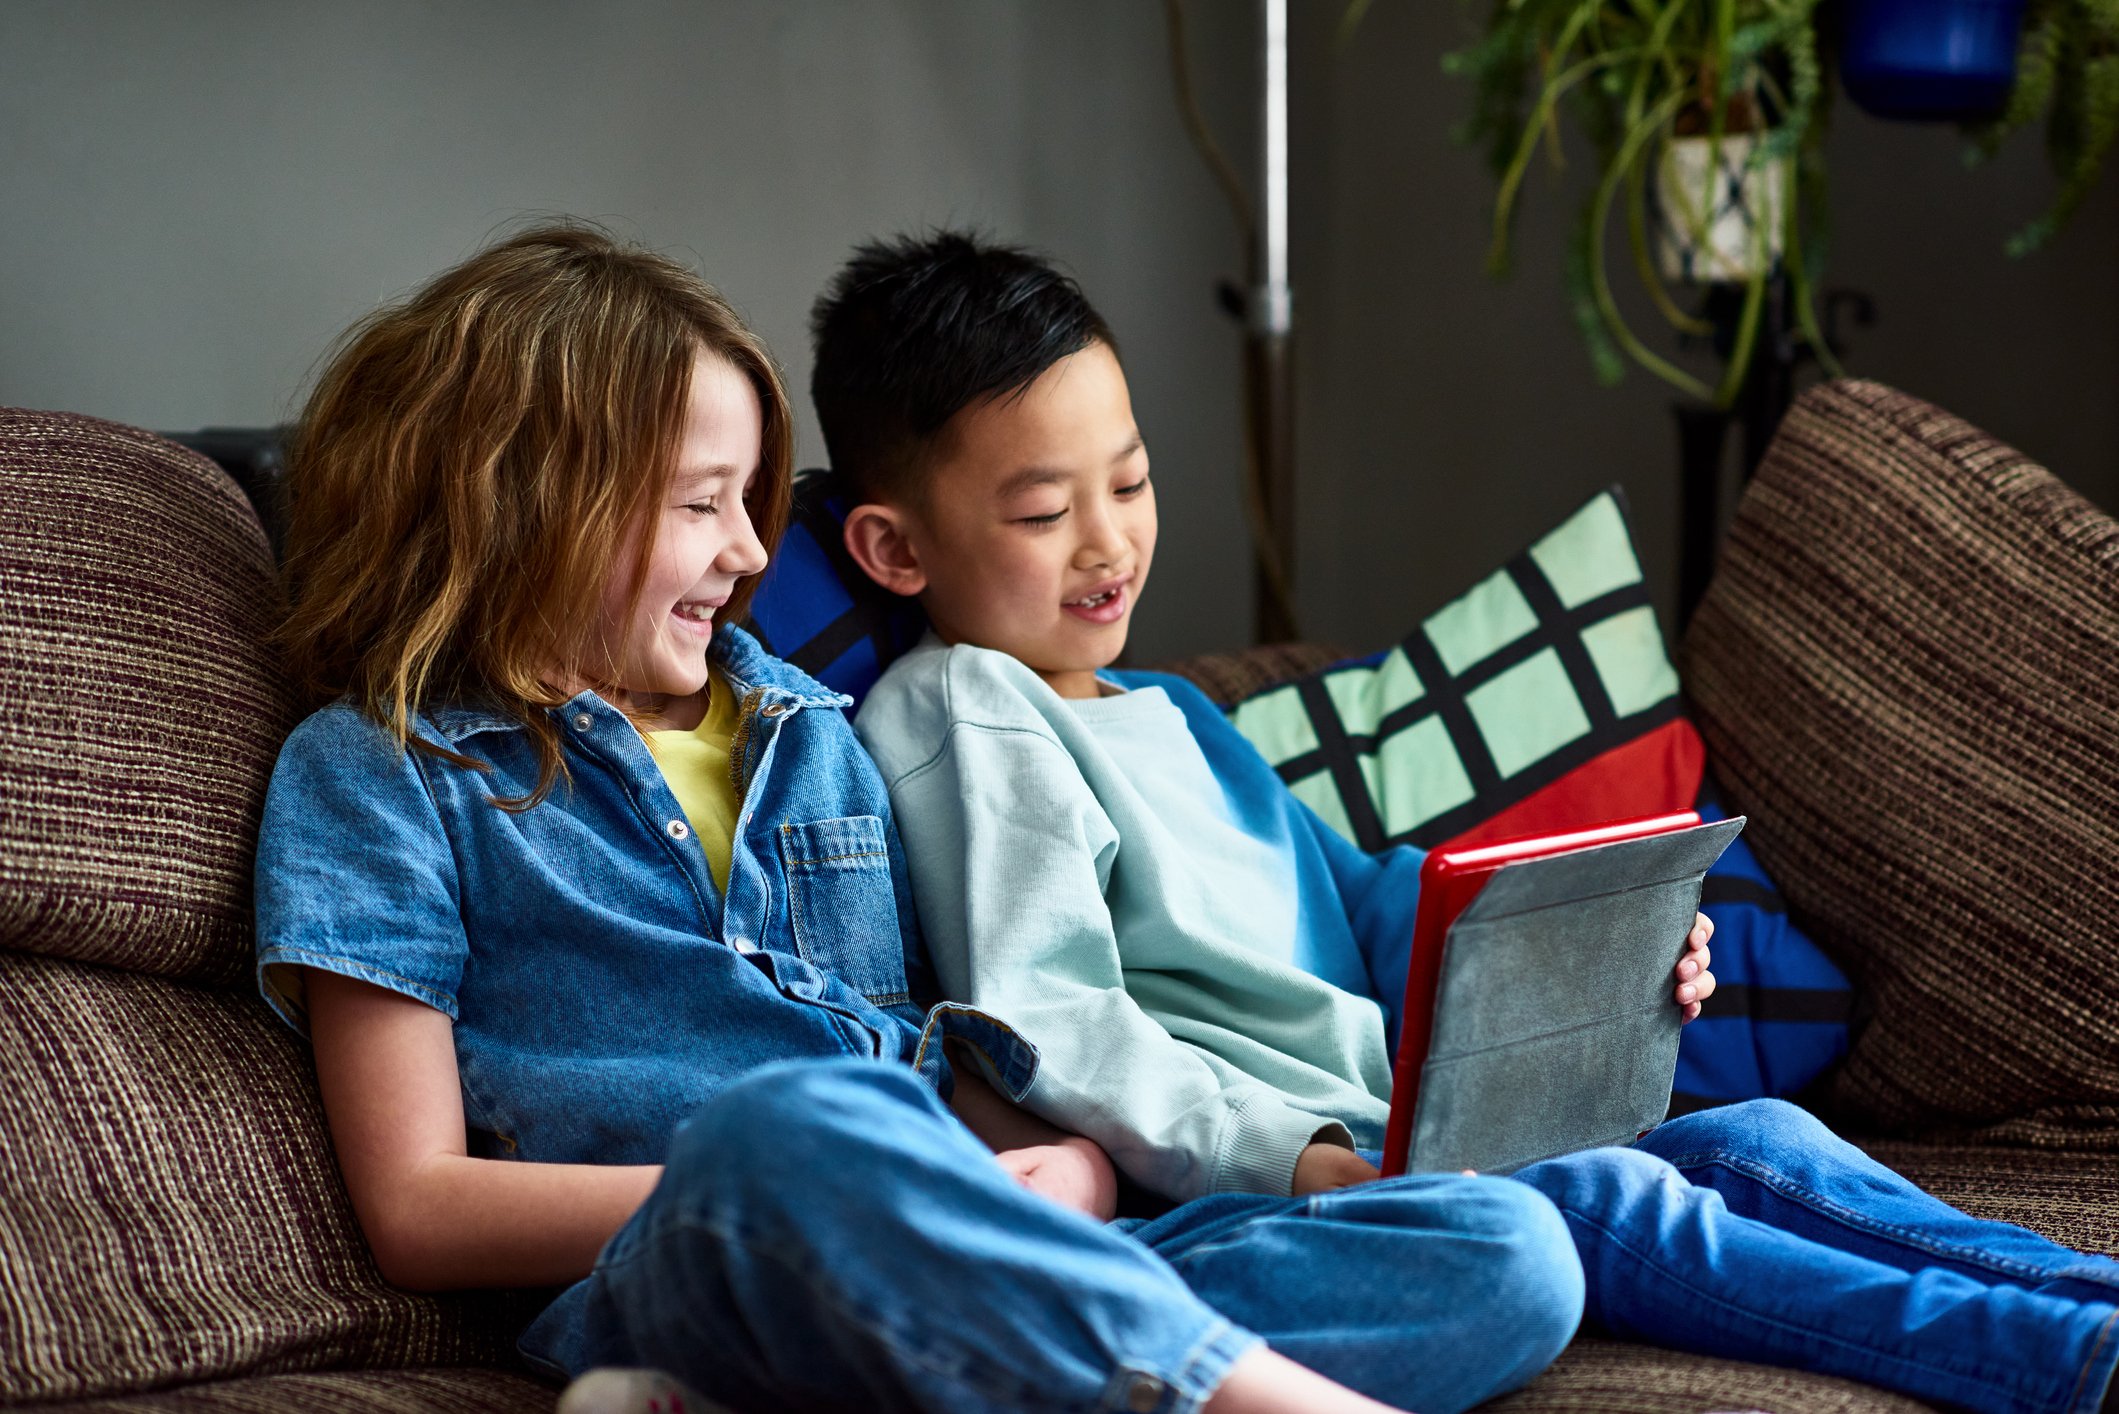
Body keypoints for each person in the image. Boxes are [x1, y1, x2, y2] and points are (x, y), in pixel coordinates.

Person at [251, 221, 1586, 1414]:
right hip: (698, 1244)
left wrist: (1055, 1164)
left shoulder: (810, 733)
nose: (753, 555)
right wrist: (853, 1185)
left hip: (967, 1241)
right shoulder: (379, 769)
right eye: (703, 503)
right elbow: (418, 1207)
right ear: (527, 504)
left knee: (1509, 1254)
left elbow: (911, 1046)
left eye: (753, 501)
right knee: (794, 1127)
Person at [825, 230, 2119, 1414]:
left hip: (1389, 1143)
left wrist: (1595, 955)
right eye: (1047, 513)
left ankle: (2089, 1302)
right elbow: (1055, 1023)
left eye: (1132, 481)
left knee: (1759, 1137)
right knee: (1581, 1218)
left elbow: (1369, 903)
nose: (1109, 543)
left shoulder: (1163, 709)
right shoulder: (964, 709)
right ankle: (2067, 1365)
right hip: (1226, 1196)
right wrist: (1307, 1158)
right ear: (894, 550)